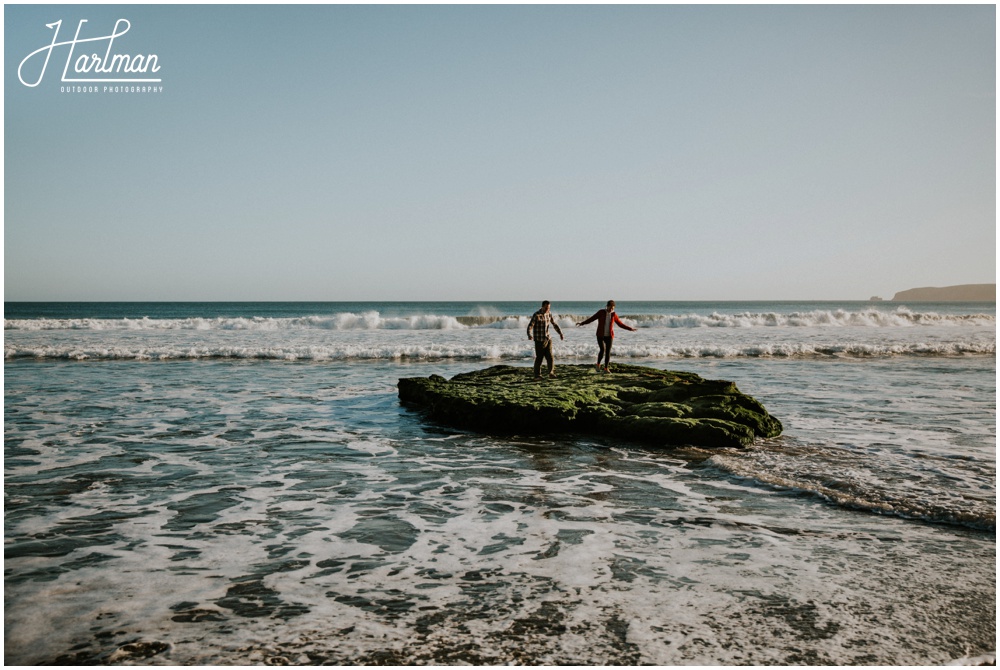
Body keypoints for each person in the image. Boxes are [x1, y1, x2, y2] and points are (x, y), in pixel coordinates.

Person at [576, 300, 636, 372]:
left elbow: (620, 324)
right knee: (602, 350)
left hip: (609, 336)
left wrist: (630, 329)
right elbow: (592, 319)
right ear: (607, 306)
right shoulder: (601, 312)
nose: (611, 310)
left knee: (608, 352)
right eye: (610, 308)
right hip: (600, 335)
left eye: (612, 308)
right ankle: (598, 365)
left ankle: (606, 368)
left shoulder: (614, 315)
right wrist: (582, 323)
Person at [526, 301, 564, 380]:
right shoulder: (536, 315)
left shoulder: (549, 314)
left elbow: (554, 324)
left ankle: (551, 373)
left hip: (548, 338)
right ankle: (537, 375)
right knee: (539, 358)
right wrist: (529, 334)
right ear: (542, 307)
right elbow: (530, 326)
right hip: (539, 340)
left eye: (549, 308)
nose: (547, 309)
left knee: (550, 357)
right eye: (546, 308)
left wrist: (560, 333)